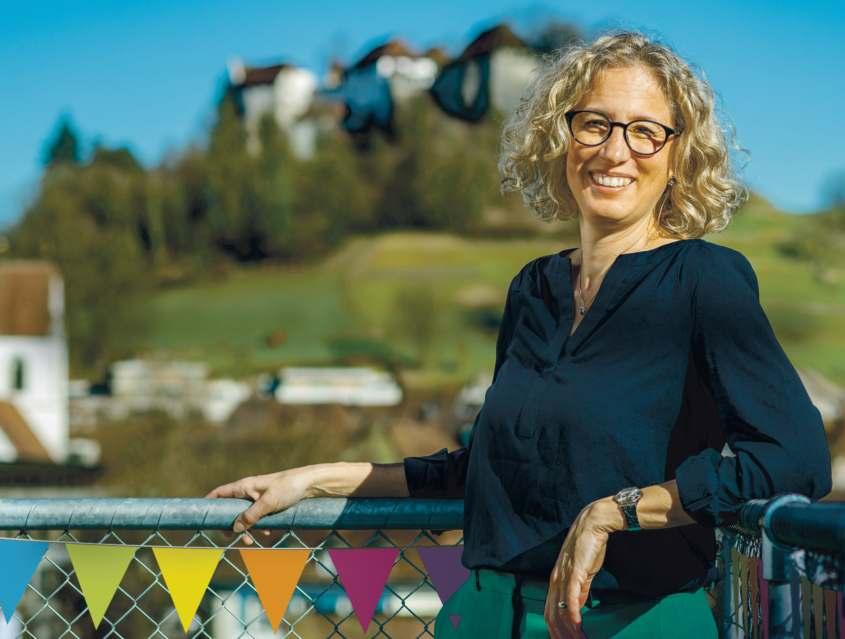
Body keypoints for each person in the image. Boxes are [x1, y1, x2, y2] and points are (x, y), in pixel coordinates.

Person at [206, 30, 833, 638]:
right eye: (595, 124)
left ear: (679, 157)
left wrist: (616, 513)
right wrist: (316, 479)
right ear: (561, 138)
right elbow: (490, 468)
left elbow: (795, 461)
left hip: (629, 622)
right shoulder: (534, 288)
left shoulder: (702, 280)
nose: (615, 151)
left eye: (645, 132)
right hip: (484, 615)